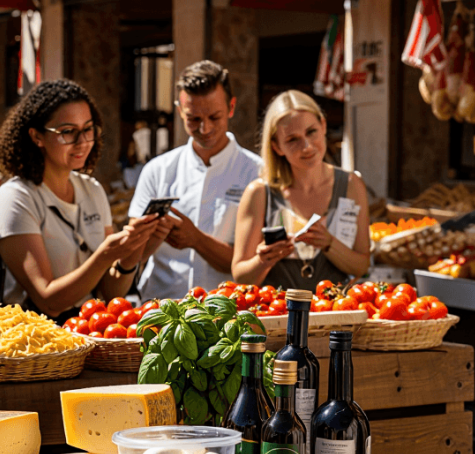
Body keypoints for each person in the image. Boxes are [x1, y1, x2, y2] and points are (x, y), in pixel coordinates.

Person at [0, 79, 167, 320]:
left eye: (88, 129)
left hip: (87, 333)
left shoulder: (91, 190)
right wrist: (104, 256)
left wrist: (132, 251)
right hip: (35, 343)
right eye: (68, 132)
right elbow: (48, 301)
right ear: (36, 136)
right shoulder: (16, 198)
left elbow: (109, 292)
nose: (82, 142)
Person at [127, 61, 260, 300]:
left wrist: (196, 239)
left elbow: (255, 265)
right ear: (179, 110)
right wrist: (150, 234)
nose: (205, 127)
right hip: (159, 310)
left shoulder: (256, 173)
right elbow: (132, 255)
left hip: (227, 316)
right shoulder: (157, 170)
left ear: (231, 107)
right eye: (193, 119)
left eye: (214, 116)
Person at [232, 90, 370, 289]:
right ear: (277, 147)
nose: (306, 146)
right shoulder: (259, 192)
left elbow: (361, 266)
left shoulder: (351, 184)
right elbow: (240, 276)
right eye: (292, 140)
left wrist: (329, 244)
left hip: (334, 313)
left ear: (323, 126)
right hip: (277, 314)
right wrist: (263, 260)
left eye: (311, 132)